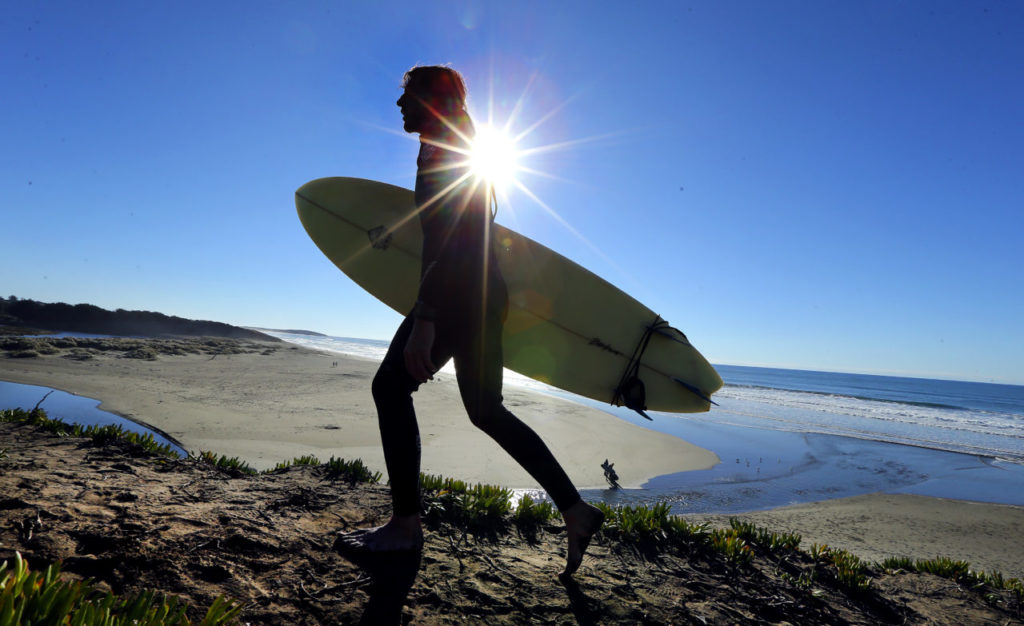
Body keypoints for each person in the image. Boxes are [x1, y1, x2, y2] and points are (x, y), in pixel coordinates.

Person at [336, 65, 604, 577]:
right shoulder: (454, 139)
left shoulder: (448, 144)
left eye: (407, 95)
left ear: (430, 99)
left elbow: (459, 234)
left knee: (391, 388)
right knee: (486, 410)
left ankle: (405, 526)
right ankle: (575, 510)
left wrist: (427, 318)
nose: (399, 105)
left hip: (458, 294)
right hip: (482, 295)